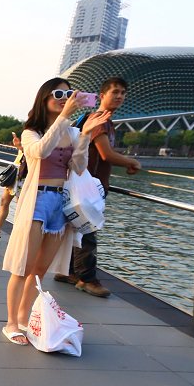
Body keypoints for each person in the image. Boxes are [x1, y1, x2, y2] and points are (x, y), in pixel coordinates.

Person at [0, 78, 110, 345]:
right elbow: (39, 152)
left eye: (69, 93)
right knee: (23, 268)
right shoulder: (31, 132)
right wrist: (64, 117)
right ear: (44, 99)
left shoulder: (71, 132)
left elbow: (80, 166)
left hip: (60, 204)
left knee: (39, 270)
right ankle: (11, 322)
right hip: (37, 201)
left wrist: (84, 136)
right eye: (58, 93)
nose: (64, 97)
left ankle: (25, 318)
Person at [54, 76, 142, 298]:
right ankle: (87, 279)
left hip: (89, 184)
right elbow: (106, 154)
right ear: (102, 96)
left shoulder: (105, 121)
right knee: (89, 228)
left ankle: (68, 271)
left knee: (79, 228)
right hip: (89, 186)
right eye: (115, 92)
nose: (120, 96)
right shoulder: (99, 120)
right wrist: (132, 162)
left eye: (123, 92)